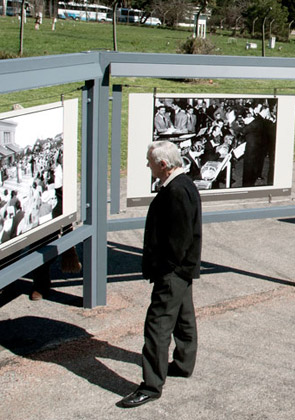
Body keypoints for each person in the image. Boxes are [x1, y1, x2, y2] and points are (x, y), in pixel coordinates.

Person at [118, 141, 202, 408]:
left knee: (157, 326)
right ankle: (183, 364)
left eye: (150, 162)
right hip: (182, 270)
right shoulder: (184, 184)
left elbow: (179, 239)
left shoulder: (176, 191)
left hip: (172, 273)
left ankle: (151, 386)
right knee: (184, 318)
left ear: (163, 165)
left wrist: (165, 269)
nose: (148, 165)